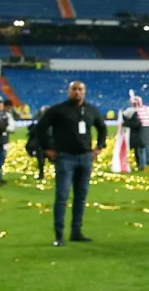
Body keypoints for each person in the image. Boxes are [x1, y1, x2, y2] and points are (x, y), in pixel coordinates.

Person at [37, 81, 106, 246]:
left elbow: (102, 128)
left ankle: (76, 231)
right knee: (62, 196)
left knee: (81, 197)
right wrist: (47, 148)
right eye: (74, 89)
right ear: (68, 91)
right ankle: (59, 235)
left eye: (80, 89)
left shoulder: (90, 110)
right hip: (65, 157)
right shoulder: (58, 110)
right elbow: (41, 128)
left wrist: (99, 147)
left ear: (85, 92)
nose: (77, 92)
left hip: (85, 158)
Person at [122, 93, 149, 171]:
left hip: (138, 133)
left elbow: (133, 122)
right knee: (147, 147)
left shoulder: (132, 111)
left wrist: (124, 123)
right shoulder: (147, 109)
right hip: (147, 131)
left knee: (140, 149)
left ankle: (142, 165)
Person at [25, 106, 48, 180]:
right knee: (41, 160)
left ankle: (42, 174)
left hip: (46, 143)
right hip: (40, 143)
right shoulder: (38, 120)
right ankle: (41, 174)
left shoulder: (48, 120)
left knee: (42, 159)